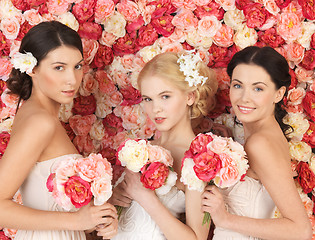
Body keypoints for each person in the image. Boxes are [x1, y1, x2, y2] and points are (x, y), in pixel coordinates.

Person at [0, 21, 118, 240]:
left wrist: (97, 219)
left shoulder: (37, 114)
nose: (72, 79)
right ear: (32, 68)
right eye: (58, 67)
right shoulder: (40, 122)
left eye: (77, 66)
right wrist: (77, 221)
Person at [201, 46, 312, 240]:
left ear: (278, 94)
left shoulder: (260, 144)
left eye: (258, 88)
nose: (244, 97)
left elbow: (300, 230)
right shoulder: (263, 136)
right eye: (238, 85)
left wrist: (225, 219)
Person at [109, 51, 218, 240]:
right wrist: (114, 201)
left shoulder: (198, 159)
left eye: (165, 96)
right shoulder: (141, 150)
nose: (155, 108)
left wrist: (144, 197)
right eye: (148, 99)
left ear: (190, 96)